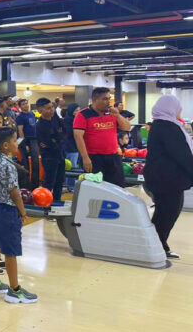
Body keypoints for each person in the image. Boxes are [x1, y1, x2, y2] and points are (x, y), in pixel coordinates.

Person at [0, 128, 38, 304]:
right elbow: (15, 193)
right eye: (15, 140)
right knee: (10, 251)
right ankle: (14, 290)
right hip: (7, 210)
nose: (17, 143)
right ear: (6, 145)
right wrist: (23, 211)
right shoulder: (8, 165)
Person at [143, 95, 193, 260]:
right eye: (178, 107)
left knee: (166, 212)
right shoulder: (167, 127)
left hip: (164, 178)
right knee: (167, 213)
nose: (180, 110)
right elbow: (181, 154)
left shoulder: (161, 125)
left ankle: (157, 245)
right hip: (166, 179)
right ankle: (155, 246)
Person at [73, 87, 131, 187]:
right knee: (95, 188)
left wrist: (117, 115)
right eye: (105, 99)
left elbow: (127, 127)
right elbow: (78, 137)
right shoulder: (83, 114)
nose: (108, 102)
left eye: (109, 98)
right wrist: (85, 157)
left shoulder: (112, 113)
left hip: (113, 156)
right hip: (94, 157)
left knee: (118, 187)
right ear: (95, 100)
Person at [35, 98, 66, 203]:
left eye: (52, 107)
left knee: (59, 181)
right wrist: (57, 140)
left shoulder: (55, 118)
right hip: (49, 157)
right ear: (40, 110)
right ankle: (44, 202)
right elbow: (46, 143)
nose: (51, 110)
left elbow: (63, 132)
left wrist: (58, 140)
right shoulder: (40, 125)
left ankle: (57, 201)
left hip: (60, 154)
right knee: (49, 181)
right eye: (48, 108)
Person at [16, 98, 39, 189]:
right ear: (20, 106)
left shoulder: (32, 114)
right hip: (25, 141)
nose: (26, 105)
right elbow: (20, 131)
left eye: (26, 103)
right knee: (26, 164)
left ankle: (35, 184)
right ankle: (26, 185)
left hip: (34, 139)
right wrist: (24, 144)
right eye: (23, 104)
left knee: (35, 163)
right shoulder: (20, 117)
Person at [63, 103, 81, 191]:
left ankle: (69, 185)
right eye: (76, 110)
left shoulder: (75, 120)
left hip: (74, 146)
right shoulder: (69, 121)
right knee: (71, 167)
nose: (78, 112)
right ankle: (70, 186)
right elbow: (71, 134)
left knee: (72, 166)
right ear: (72, 112)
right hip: (71, 147)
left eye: (79, 110)